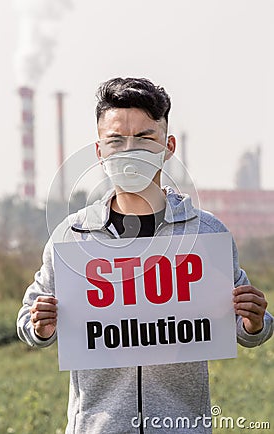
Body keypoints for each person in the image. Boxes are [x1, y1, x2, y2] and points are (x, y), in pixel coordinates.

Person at [17, 77, 273, 434]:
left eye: (144, 138)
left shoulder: (205, 234)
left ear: (167, 146)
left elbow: (248, 330)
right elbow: (28, 324)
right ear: (99, 152)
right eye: (116, 140)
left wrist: (254, 321)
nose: (129, 150)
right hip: (98, 427)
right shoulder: (71, 237)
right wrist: (40, 324)